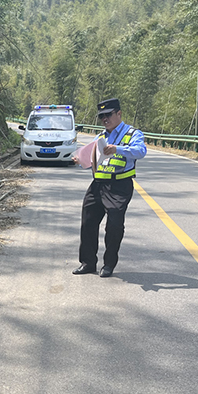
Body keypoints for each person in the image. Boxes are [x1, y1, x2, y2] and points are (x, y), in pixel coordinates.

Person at [72, 98, 147, 278]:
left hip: (119, 186)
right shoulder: (100, 137)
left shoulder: (132, 133)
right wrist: (81, 160)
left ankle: (109, 264)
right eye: (101, 116)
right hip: (98, 185)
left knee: (114, 226)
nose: (105, 119)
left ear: (119, 114)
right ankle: (88, 262)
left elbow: (140, 151)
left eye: (108, 115)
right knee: (88, 222)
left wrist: (118, 149)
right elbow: (94, 161)